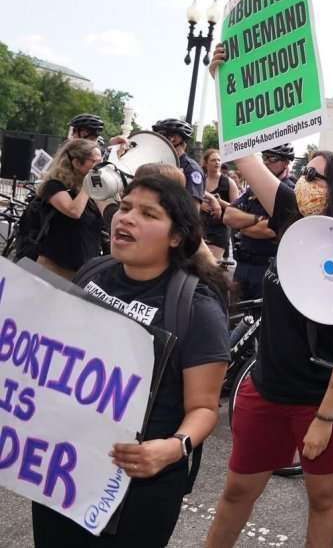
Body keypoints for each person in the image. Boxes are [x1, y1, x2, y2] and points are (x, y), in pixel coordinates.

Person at [31, 175, 230, 547]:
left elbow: (203, 407)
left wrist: (172, 448)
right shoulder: (93, 273)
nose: (126, 218)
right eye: (124, 208)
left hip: (139, 491)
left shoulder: (196, 307)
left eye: (147, 213)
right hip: (63, 469)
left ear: (176, 236)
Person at [205, 150, 333, 548]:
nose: (305, 181)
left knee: (323, 498)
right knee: (238, 490)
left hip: (323, 400)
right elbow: (246, 157)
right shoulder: (292, 217)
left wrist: (326, 417)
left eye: (316, 176)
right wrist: (227, 87)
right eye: (304, 172)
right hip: (268, 390)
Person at [222, 146, 294, 300]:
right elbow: (228, 216)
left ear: (285, 163)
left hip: (267, 270)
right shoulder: (253, 190)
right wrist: (258, 219)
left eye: (272, 158)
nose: (266, 162)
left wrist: (243, 226)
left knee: (261, 319)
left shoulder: (290, 192)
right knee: (234, 317)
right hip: (242, 267)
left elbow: (270, 230)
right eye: (264, 157)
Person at [35, 138, 104, 279]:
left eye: (101, 160)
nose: (100, 166)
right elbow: (74, 211)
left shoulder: (92, 188)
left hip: (84, 266)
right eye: (95, 162)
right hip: (55, 265)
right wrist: (89, 183)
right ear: (77, 163)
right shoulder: (54, 185)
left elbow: (107, 213)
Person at [152, 118, 205, 206]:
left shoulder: (191, 168)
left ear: (174, 139)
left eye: (163, 136)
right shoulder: (160, 163)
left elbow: (193, 207)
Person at [201, 149, 239, 261]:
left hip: (219, 229)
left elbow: (237, 209)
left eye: (219, 160)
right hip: (199, 227)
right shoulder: (199, 180)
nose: (217, 163)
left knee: (211, 263)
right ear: (206, 163)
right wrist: (200, 204)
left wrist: (220, 202)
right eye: (213, 160)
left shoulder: (228, 182)